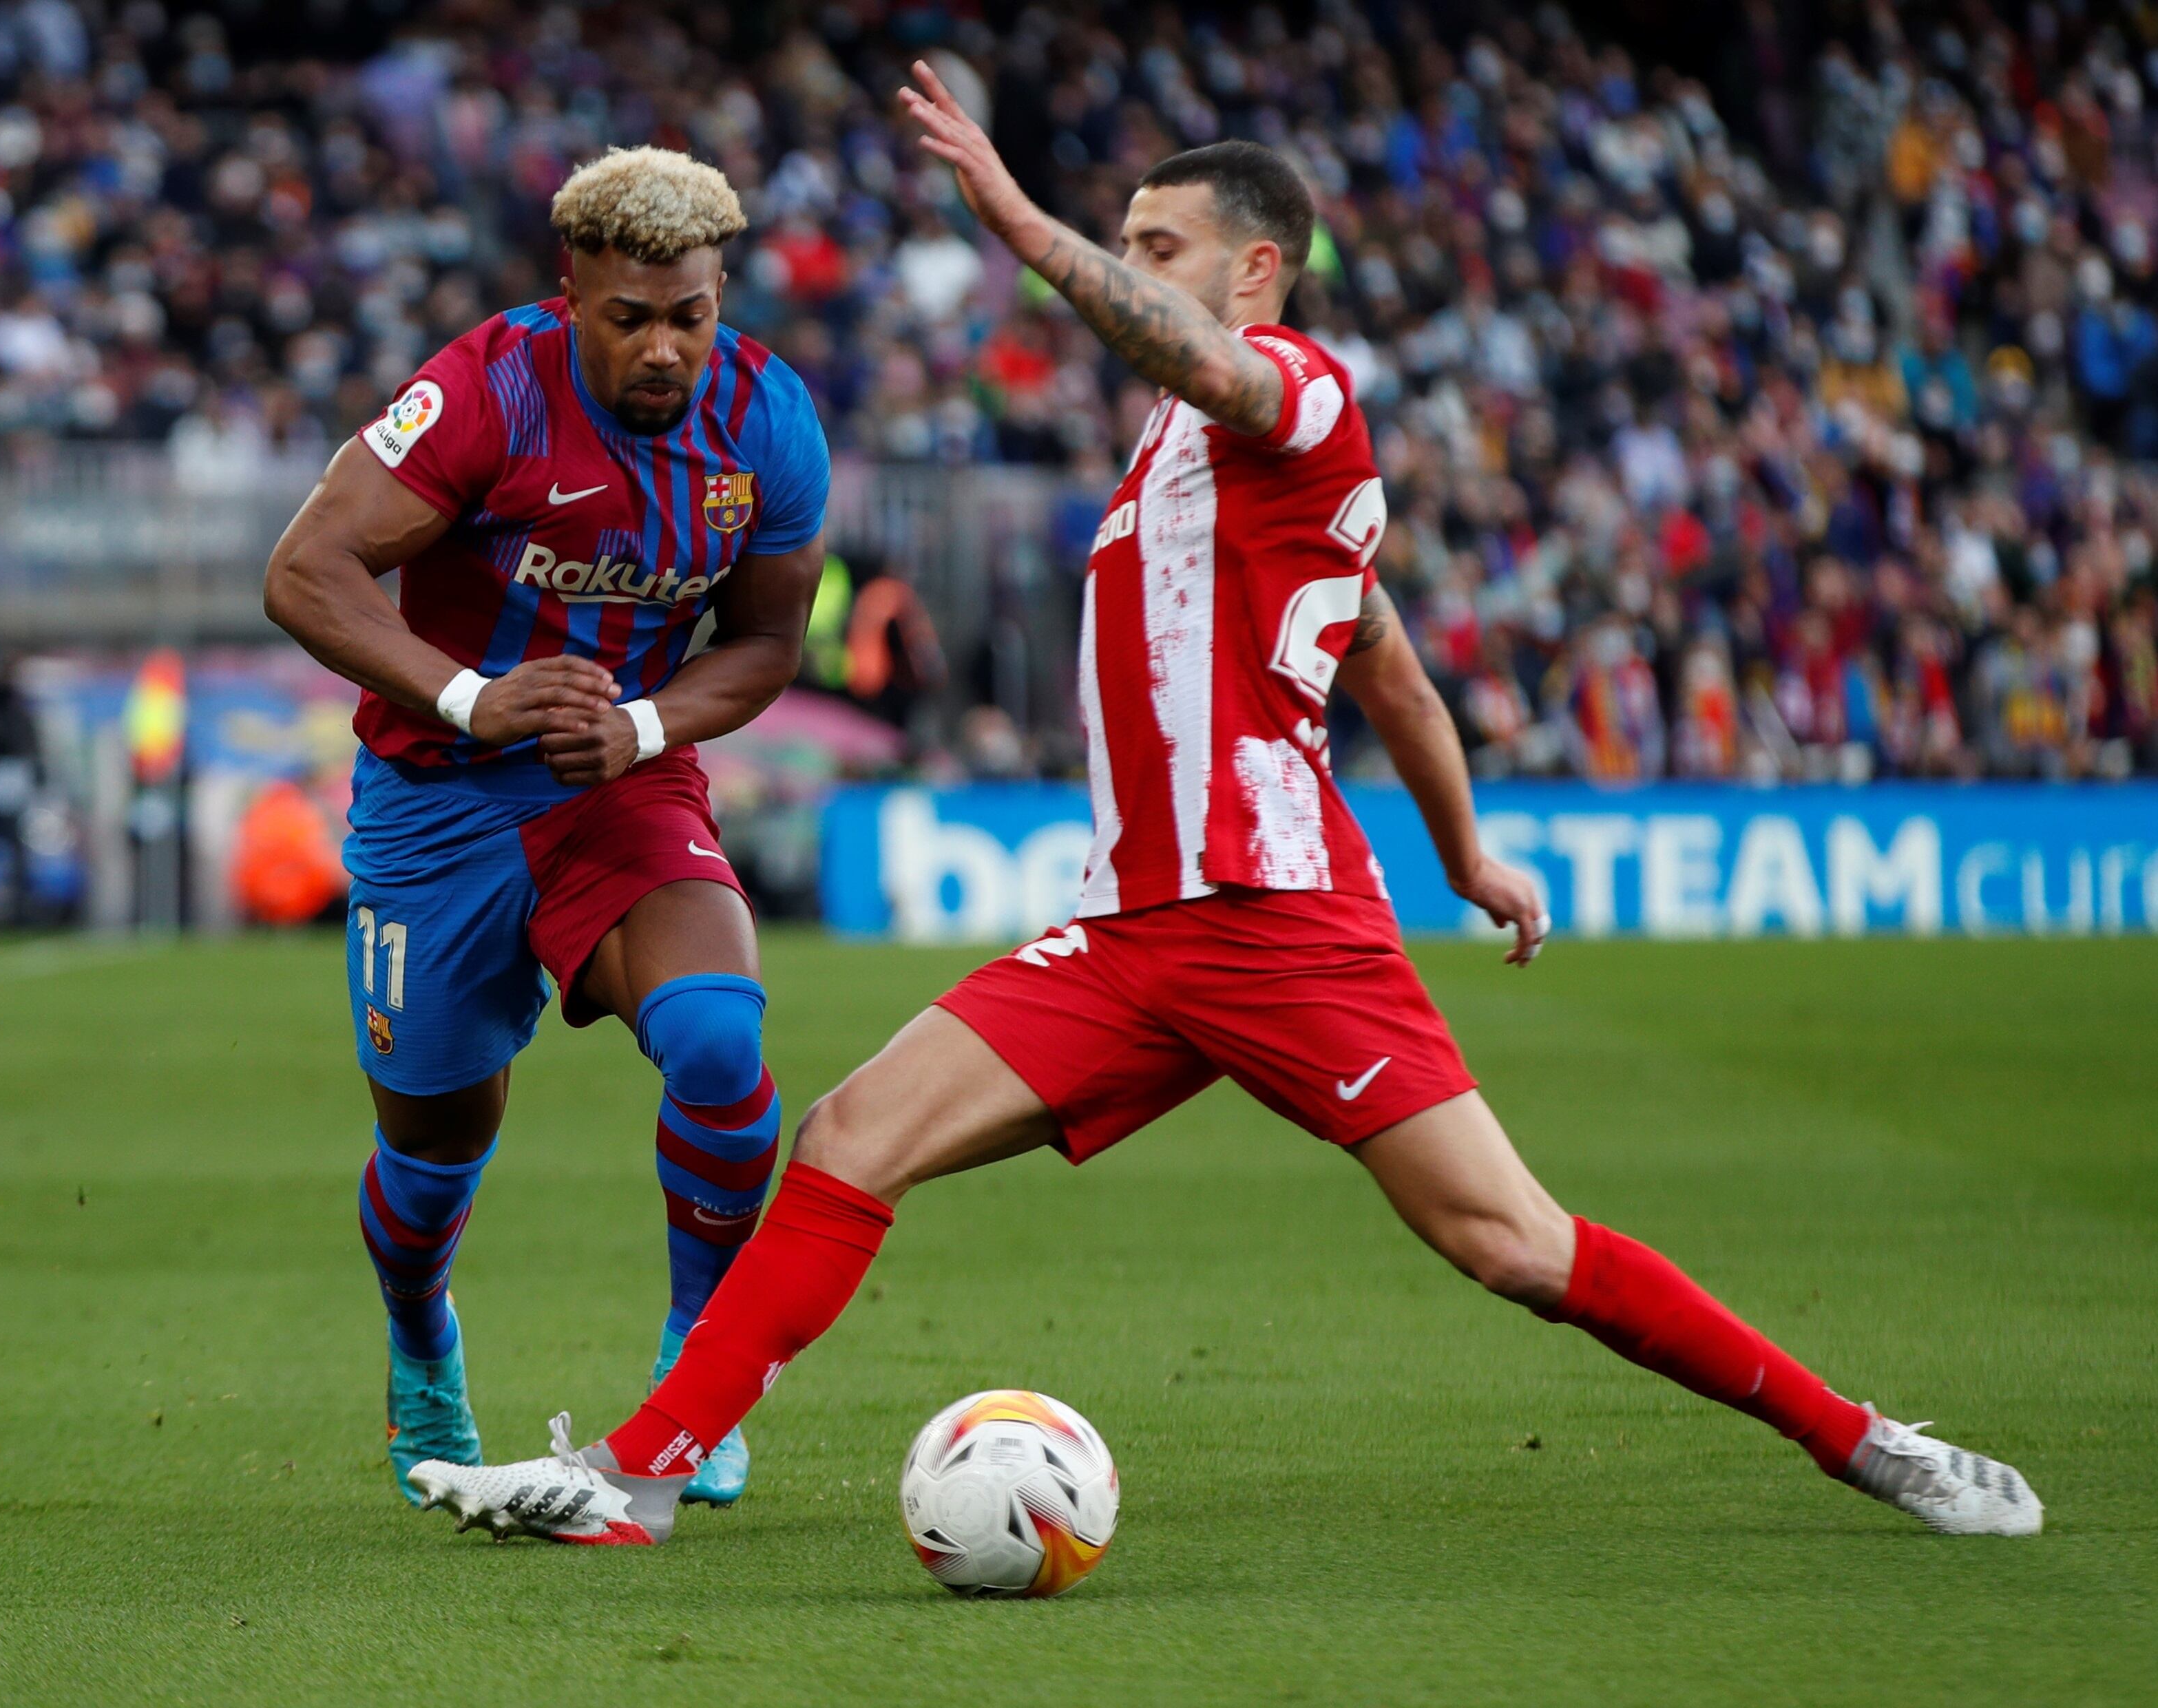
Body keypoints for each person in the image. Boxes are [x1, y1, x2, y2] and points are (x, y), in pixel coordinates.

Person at [415, 72, 2042, 1546]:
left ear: (1254, 269)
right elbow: (1386, 663)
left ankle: (1868, 1442)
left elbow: (1210, 385)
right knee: (849, 1135)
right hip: (1133, 932)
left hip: (1271, 923)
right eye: (1125, 237)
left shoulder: (1295, 390)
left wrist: (1024, 222)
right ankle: (635, 1479)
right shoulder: (1184, 453)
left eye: (1161, 240)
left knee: (1512, 1245)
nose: (1136, 261)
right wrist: (1467, 847)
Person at [261, 146, 830, 1513]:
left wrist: (640, 728)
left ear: (720, 296)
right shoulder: (482, 391)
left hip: (614, 784)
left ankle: (700, 1372)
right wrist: (473, 695)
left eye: (688, 314)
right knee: (433, 1145)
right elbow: (304, 569)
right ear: (571, 289)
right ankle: (421, 1340)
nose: (663, 347)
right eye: (631, 315)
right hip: (435, 803)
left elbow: (761, 647)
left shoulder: (766, 421)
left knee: (716, 1035)